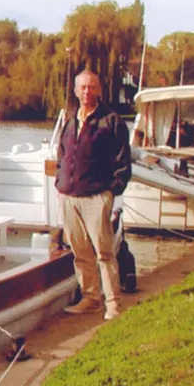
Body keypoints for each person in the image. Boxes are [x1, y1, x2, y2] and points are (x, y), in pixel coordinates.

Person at [55, 69, 132, 321]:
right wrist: (60, 182)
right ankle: (90, 298)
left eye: (92, 87)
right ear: (76, 91)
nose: (87, 91)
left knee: (104, 252)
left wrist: (111, 192)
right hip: (69, 197)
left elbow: (123, 162)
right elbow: (62, 154)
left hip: (96, 197)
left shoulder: (112, 121)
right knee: (80, 252)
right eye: (83, 87)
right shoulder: (70, 120)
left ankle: (113, 303)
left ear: (99, 90)